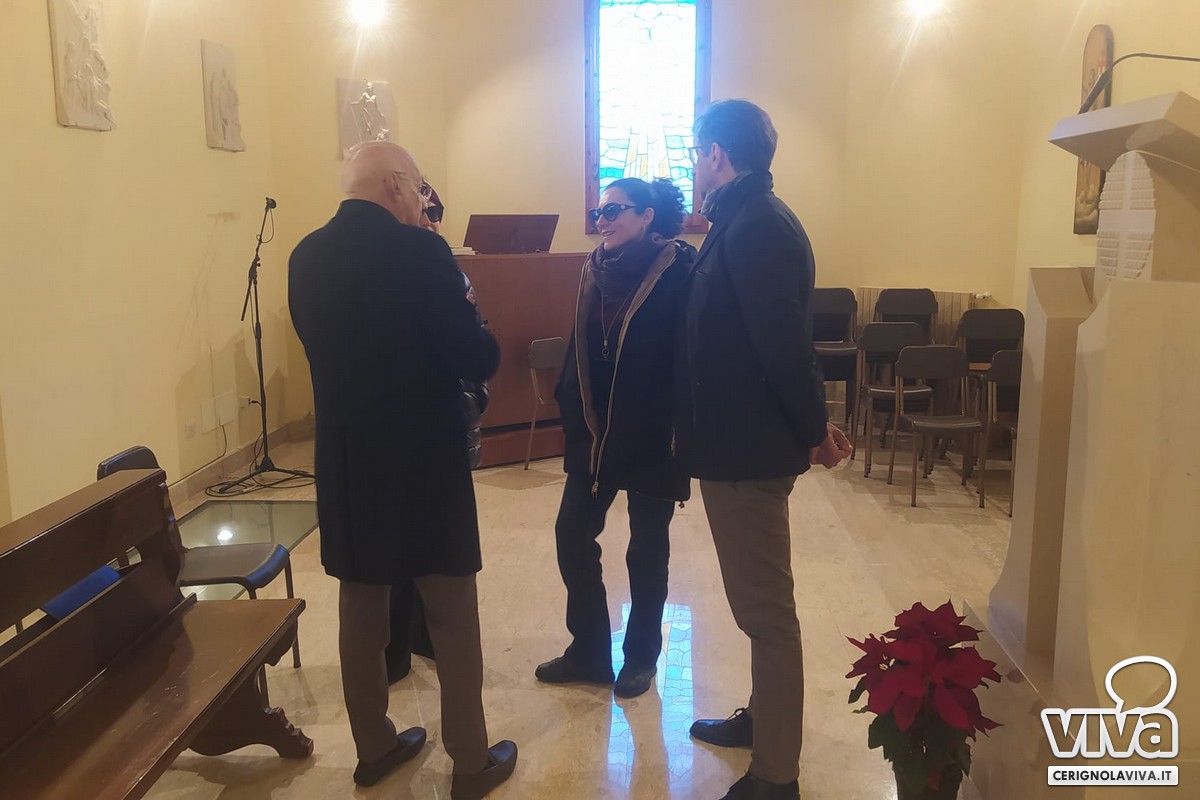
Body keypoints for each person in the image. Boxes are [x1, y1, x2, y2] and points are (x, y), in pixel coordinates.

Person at [288, 141, 516, 798]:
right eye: (419, 188)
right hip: (423, 464)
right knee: (451, 613)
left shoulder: (306, 255)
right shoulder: (420, 252)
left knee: (361, 611)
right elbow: (474, 356)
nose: (422, 200)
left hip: (348, 462)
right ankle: (470, 762)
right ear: (394, 183)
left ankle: (375, 747)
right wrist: (480, 326)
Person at [674, 100, 853, 800]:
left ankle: (777, 774)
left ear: (717, 154)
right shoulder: (743, 218)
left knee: (768, 615)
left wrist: (814, 430)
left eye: (697, 152)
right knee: (757, 607)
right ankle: (763, 719)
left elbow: (783, 347)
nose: (695, 165)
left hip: (747, 452)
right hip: (734, 444)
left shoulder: (758, 226)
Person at [534, 177, 695, 699]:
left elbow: (688, 352)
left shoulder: (678, 269)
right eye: (599, 212)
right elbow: (582, 347)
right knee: (572, 536)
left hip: (653, 434)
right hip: (595, 431)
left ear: (647, 216)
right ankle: (588, 651)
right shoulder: (593, 268)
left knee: (646, 551)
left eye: (615, 210)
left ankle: (641, 658)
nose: (602, 220)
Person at [384, 184, 489, 683]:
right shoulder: (385, 266)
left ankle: (426, 634)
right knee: (401, 543)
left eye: (437, 212)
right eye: (424, 210)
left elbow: (472, 335)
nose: (431, 220)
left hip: (450, 413)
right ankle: (397, 645)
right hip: (403, 425)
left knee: (436, 545)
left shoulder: (447, 267)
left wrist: (474, 394)